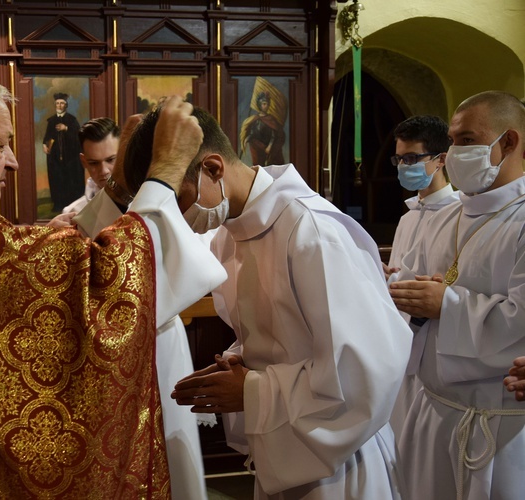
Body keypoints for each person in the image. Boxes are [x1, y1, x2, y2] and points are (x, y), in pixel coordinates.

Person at [0, 70, 226, 498]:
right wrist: (163, 171)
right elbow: (109, 276)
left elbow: (70, 262)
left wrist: (124, 188)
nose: (13, 160)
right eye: (0, 144)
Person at [121, 104, 412, 499]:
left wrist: (252, 391)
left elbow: (366, 371)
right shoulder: (230, 234)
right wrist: (238, 363)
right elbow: (279, 340)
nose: (177, 214)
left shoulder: (312, 231)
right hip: (282, 449)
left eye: (179, 196)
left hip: (339, 465)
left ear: (213, 169)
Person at [389, 90, 525, 500]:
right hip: (431, 409)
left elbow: (521, 320)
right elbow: (407, 289)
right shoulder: (442, 215)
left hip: (498, 425)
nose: (453, 152)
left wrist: (444, 304)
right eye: (452, 141)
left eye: (467, 141)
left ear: (509, 141)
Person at [71, 113, 214, 499]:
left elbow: (166, 266)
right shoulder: (79, 215)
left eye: (114, 159)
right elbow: (115, 262)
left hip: (159, 344)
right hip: (111, 356)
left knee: (172, 457)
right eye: (97, 162)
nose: (106, 170)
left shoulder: (173, 205)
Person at [384, 115, 457, 445]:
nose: (403, 166)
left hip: (438, 353)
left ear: (440, 160)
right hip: (401, 347)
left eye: (412, 158)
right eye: (399, 158)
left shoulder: (460, 215)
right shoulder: (409, 217)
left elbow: (453, 283)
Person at [62, 117, 120, 214]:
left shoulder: (143, 206)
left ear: (123, 156)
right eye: (94, 163)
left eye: (110, 160)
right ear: (84, 162)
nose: (104, 171)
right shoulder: (72, 214)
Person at [41, 92, 84, 212]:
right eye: (57, 103)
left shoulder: (72, 120)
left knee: (70, 179)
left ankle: (72, 205)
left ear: (66, 105)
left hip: (70, 158)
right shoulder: (51, 121)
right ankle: (58, 205)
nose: (59, 106)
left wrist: (66, 128)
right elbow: (47, 137)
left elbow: (79, 136)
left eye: (62, 103)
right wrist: (45, 144)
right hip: (55, 158)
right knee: (57, 180)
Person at [239, 91, 286, 166]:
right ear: (259, 105)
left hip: (269, 149)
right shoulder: (255, 119)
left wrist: (269, 147)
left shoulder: (271, 119)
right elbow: (253, 134)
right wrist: (246, 139)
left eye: (267, 104)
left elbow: (274, 135)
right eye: (264, 104)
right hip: (259, 149)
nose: (266, 106)